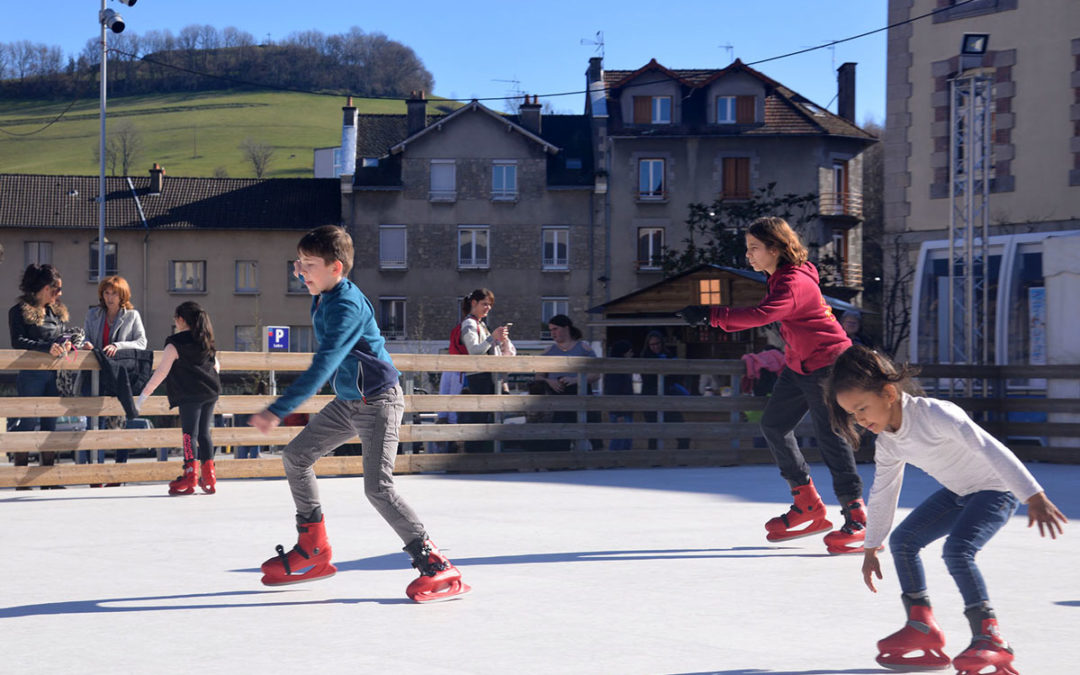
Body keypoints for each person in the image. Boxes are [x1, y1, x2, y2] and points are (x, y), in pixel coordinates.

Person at [249, 225, 469, 603]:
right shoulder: (324, 295)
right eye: (298, 263)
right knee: (296, 456)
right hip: (350, 401)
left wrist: (279, 409)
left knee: (377, 487)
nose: (300, 272)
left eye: (310, 265)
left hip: (379, 402)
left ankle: (434, 562)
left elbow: (324, 364)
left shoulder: (347, 306)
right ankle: (313, 546)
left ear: (336, 268)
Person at [826, 345, 1066, 674]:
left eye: (863, 408)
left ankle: (990, 636)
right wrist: (871, 545)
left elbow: (990, 448)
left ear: (889, 393)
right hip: (959, 492)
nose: (861, 419)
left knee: (958, 551)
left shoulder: (936, 414)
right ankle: (922, 626)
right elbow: (883, 491)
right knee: (904, 541)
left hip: (996, 490)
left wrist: (1032, 494)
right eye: (853, 414)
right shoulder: (888, 443)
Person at [678, 216, 864, 553]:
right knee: (774, 425)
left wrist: (712, 314)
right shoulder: (781, 277)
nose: (748, 255)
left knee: (830, 436)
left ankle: (857, 515)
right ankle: (807, 503)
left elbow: (762, 315)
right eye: (747, 248)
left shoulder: (793, 282)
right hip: (799, 364)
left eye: (754, 249)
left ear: (775, 248)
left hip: (827, 365)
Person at [135, 301, 222, 496]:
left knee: (188, 434)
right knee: (204, 434)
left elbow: (161, 373)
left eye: (175, 318)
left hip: (190, 394)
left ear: (181, 320)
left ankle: (190, 474)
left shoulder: (175, 343)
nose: (175, 322)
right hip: (210, 391)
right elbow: (217, 366)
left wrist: (143, 396)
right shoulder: (205, 340)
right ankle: (209, 477)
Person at [8, 264, 73, 485]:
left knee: (50, 426)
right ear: (45, 288)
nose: (60, 294)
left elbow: (64, 337)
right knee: (26, 424)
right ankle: (21, 479)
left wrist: (76, 342)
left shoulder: (57, 312)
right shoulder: (19, 311)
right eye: (56, 289)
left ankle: (49, 479)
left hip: (55, 375)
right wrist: (46, 347)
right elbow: (17, 341)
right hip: (31, 375)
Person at [80, 275, 148, 469]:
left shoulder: (132, 315)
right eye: (106, 293)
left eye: (114, 294)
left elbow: (142, 343)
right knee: (92, 426)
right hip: (95, 376)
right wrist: (85, 343)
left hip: (120, 376)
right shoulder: (93, 314)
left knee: (121, 424)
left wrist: (119, 346)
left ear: (122, 296)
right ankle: (94, 470)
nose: (110, 297)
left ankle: (119, 469)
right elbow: (84, 337)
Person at [457, 288, 515, 452]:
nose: (488, 308)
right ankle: (477, 456)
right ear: (473, 303)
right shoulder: (469, 323)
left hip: (483, 376)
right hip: (479, 376)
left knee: (484, 419)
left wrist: (498, 339)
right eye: (484, 304)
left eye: (490, 305)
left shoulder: (479, 323)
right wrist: (493, 337)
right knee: (481, 419)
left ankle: (481, 455)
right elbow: (474, 350)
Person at [535, 314, 600, 450]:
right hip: (558, 397)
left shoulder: (584, 348)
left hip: (581, 396)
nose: (553, 333)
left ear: (566, 328)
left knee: (591, 429)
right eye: (551, 330)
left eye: (555, 329)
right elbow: (538, 377)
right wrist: (550, 381)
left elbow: (596, 374)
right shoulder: (548, 351)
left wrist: (575, 380)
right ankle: (559, 462)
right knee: (560, 432)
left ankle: (596, 459)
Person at [639, 331, 690, 450]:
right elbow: (648, 379)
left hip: (668, 400)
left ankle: (681, 460)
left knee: (683, 433)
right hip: (650, 400)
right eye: (652, 345)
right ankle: (654, 462)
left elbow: (677, 375)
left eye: (657, 343)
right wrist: (665, 373)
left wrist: (667, 374)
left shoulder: (668, 355)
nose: (655, 347)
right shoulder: (645, 358)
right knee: (654, 433)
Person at [603, 339, 635, 450]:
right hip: (621, 412)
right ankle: (612, 463)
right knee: (620, 440)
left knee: (624, 440)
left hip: (625, 411)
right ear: (623, 353)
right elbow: (614, 392)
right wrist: (619, 413)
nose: (632, 354)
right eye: (630, 352)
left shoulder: (621, 369)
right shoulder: (616, 371)